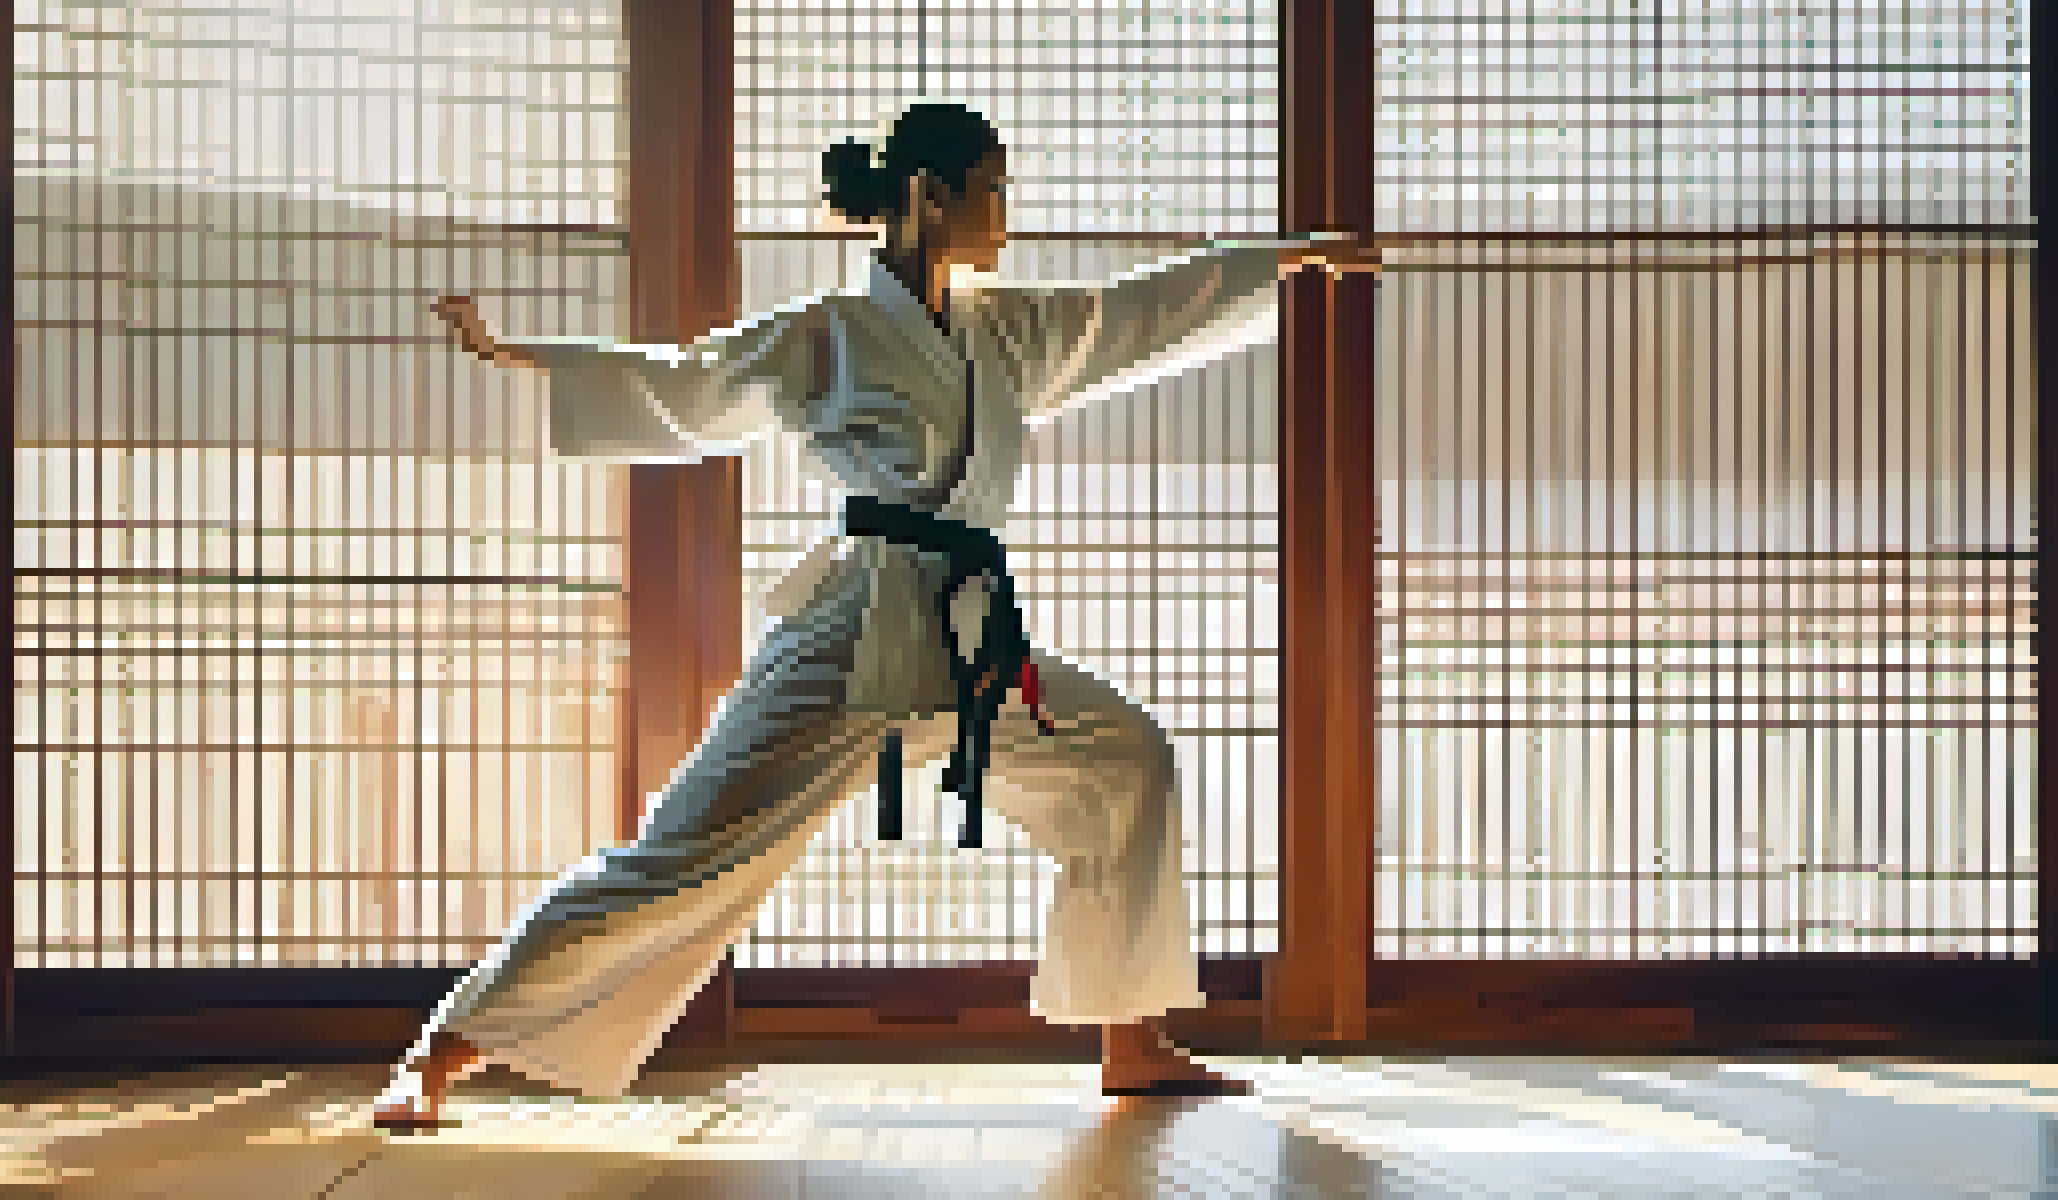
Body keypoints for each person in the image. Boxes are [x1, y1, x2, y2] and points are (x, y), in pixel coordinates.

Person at [372, 101, 1353, 1128]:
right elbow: (689, 382)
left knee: (1123, 759)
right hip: (852, 629)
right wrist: (524, 355)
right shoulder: (827, 334)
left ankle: (1133, 1039)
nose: (1006, 213)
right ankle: (437, 1056)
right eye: (993, 189)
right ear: (930, 194)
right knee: (682, 859)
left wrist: (1286, 259)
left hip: (969, 633)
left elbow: (1134, 310)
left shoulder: (1004, 328)